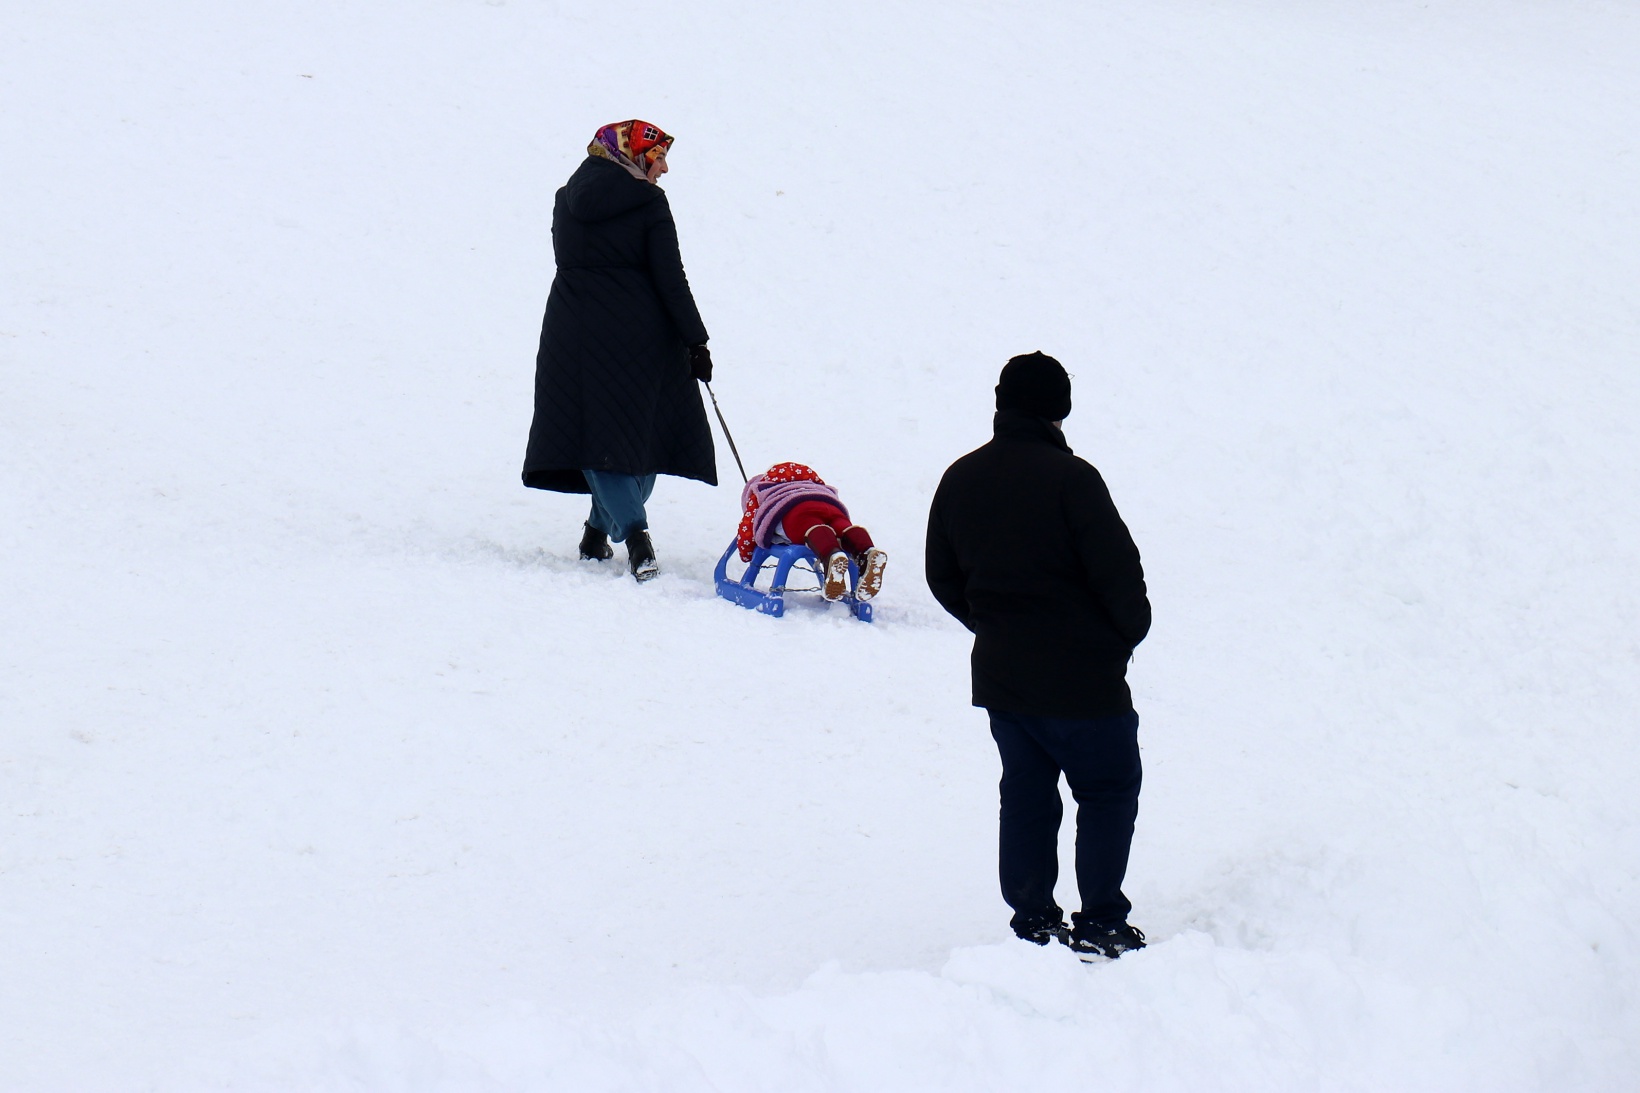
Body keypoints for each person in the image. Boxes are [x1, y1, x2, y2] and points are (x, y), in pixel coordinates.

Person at [925, 352, 1152, 960]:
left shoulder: (960, 479)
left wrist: (993, 627)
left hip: (1006, 680)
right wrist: (1119, 640)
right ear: (1061, 410)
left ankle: (1034, 918)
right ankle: (1101, 918)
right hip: (1084, 682)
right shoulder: (1073, 479)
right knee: (1106, 789)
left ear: (1001, 403)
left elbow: (941, 576)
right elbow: (1121, 579)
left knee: (1027, 792)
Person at [521, 120, 716, 581]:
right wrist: (696, 339)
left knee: (596, 434)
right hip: (639, 335)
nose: (664, 168)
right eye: (659, 157)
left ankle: (595, 531)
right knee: (640, 437)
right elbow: (671, 279)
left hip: (570, 331)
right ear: (635, 155)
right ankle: (636, 538)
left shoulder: (565, 200)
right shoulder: (648, 201)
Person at [735, 462, 889, 601]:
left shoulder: (762, 488)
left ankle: (831, 555)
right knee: (842, 529)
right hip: (832, 507)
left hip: (796, 510)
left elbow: (748, 525)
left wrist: (747, 552)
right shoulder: (815, 485)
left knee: (811, 526)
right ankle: (867, 551)